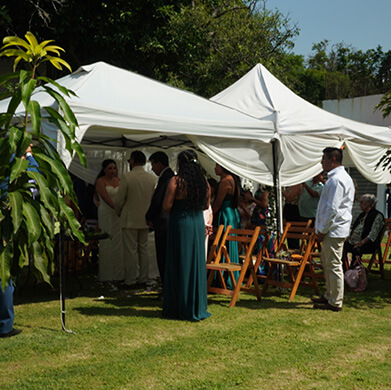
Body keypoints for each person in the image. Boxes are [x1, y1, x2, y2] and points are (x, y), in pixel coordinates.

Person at [162, 149, 211, 321]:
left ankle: (178, 306)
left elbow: (167, 206)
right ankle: (195, 305)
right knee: (195, 262)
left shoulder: (176, 181)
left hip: (180, 223)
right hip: (196, 223)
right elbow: (206, 206)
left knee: (180, 261)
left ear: (181, 164)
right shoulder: (204, 183)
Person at [0, 145, 38, 338]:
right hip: (5, 223)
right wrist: (29, 155)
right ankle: (4, 325)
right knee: (4, 274)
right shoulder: (15, 162)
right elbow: (36, 177)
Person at [313, 147, 355, 312]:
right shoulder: (337, 178)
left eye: (323, 159)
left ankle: (335, 300)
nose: (321, 162)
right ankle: (330, 294)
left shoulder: (337, 180)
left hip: (333, 229)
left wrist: (322, 229)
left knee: (333, 264)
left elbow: (332, 209)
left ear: (333, 160)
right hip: (332, 228)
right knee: (327, 263)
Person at [115, 151, 156, 288]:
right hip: (145, 219)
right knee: (143, 250)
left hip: (130, 218)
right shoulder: (151, 178)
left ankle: (130, 280)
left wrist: (119, 212)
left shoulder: (127, 177)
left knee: (130, 251)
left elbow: (119, 199)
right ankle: (143, 278)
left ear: (132, 160)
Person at [145, 151, 175, 292]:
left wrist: (149, 217)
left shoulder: (167, 178)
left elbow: (158, 201)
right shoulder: (168, 177)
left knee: (163, 257)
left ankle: (166, 288)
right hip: (167, 222)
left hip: (164, 223)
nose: (152, 168)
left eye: (153, 164)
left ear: (160, 163)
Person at [95, 159, 124, 282]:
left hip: (118, 214)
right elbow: (105, 197)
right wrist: (116, 208)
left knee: (119, 241)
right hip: (106, 212)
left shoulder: (120, 181)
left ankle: (119, 273)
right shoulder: (100, 181)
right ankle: (107, 274)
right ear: (104, 170)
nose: (112, 171)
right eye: (110, 168)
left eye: (114, 168)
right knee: (107, 240)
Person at [212, 164, 241, 286]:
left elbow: (218, 203)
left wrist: (210, 215)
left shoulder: (225, 181)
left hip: (224, 214)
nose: (214, 168)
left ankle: (224, 277)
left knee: (223, 242)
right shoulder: (233, 179)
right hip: (232, 213)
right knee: (229, 243)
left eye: (217, 166)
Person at [344, 194, 385, 268]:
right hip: (354, 242)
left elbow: (373, 234)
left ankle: (354, 271)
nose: (360, 204)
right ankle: (343, 268)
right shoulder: (362, 215)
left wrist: (361, 243)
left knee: (357, 249)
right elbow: (355, 229)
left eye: (361, 202)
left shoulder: (377, 216)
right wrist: (349, 237)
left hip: (368, 244)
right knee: (341, 246)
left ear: (369, 203)